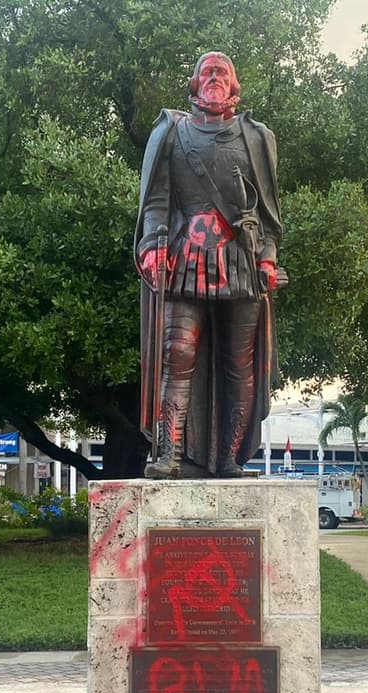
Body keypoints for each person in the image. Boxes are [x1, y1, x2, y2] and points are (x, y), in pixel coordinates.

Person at [136, 51, 283, 479]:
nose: (215, 77)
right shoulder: (171, 133)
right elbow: (157, 201)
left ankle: (227, 459)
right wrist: (152, 246)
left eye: (223, 72)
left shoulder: (256, 137)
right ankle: (170, 455)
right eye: (207, 72)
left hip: (242, 262)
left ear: (234, 86)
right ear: (195, 83)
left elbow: (271, 214)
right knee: (176, 355)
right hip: (185, 260)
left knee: (240, 364)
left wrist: (269, 258)